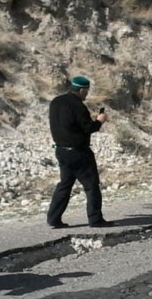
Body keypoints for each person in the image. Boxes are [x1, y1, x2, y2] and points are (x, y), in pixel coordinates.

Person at [47, 76, 112, 228]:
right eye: (86, 91)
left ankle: (53, 219)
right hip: (79, 152)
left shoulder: (56, 102)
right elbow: (88, 128)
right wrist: (100, 120)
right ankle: (95, 220)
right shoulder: (78, 106)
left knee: (65, 185)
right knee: (91, 185)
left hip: (61, 151)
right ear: (82, 90)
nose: (87, 94)